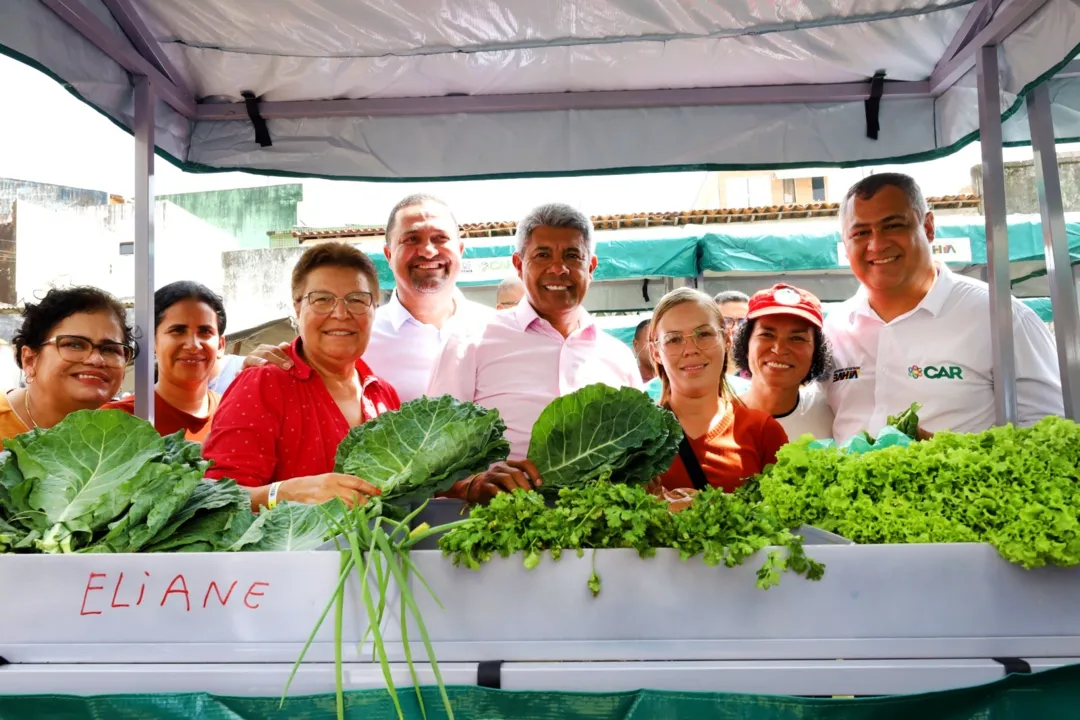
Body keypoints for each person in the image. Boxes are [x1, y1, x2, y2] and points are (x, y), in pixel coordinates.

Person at [427, 202, 641, 502]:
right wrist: (472, 484)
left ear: (590, 266)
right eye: (542, 255)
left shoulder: (618, 357)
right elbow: (431, 462)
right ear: (518, 264)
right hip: (497, 536)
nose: (558, 268)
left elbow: (640, 458)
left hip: (602, 538)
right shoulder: (469, 342)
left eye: (572, 255)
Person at [827, 172, 1063, 441]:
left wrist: (951, 456)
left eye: (893, 225)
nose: (877, 244)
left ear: (928, 227)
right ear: (845, 246)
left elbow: (1050, 433)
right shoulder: (832, 329)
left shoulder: (1001, 316)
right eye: (860, 232)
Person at [202, 243, 397, 510]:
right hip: (291, 551)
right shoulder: (263, 385)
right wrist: (284, 494)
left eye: (357, 300)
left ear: (375, 308)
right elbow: (215, 501)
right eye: (322, 299)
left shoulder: (384, 395)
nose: (340, 314)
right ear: (297, 306)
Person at [651, 288, 787, 493]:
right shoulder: (636, 437)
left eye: (703, 334)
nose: (690, 349)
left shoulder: (763, 432)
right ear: (656, 353)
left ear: (726, 340)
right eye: (674, 339)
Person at [1, 286, 135, 443]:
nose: (96, 360)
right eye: (74, 345)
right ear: (30, 359)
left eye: (110, 350)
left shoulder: (124, 441)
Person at [104, 281, 226, 442]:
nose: (193, 345)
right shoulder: (114, 422)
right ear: (151, 341)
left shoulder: (234, 414)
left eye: (205, 331)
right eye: (178, 331)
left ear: (221, 345)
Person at [732, 284, 835, 441]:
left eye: (796, 338)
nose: (779, 349)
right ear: (746, 345)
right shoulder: (716, 418)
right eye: (767, 334)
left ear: (816, 352)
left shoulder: (831, 415)